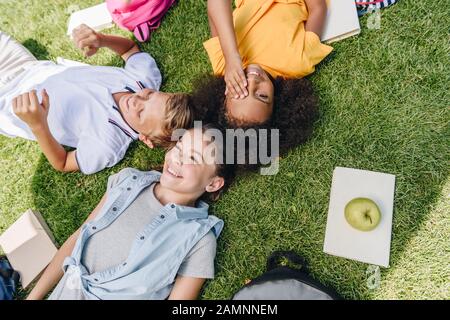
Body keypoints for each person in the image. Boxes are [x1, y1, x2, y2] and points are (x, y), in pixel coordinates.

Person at [27, 124, 236, 300]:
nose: (178, 159)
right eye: (179, 148)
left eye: (193, 158)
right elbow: (78, 239)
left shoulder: (199, 238)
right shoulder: (127, 181)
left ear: (213, 183)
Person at [0, 24, 193, 174]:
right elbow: (130, 50)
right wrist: (101, 40)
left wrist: (37, 125)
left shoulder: (106, 143)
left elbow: (64, 162)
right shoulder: (144, 79)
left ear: (146, 139)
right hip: (29, 68)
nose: (137, 100)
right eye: (150, 95)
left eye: (141, 113)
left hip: (8, 108)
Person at [190, 0, 333, 153]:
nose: (252, 81)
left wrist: (231, 56)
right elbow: (317, 8)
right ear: (276, 100)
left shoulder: (223, 65)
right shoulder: (297, 62)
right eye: (262, 95)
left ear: (225, 92)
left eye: (241, 89)